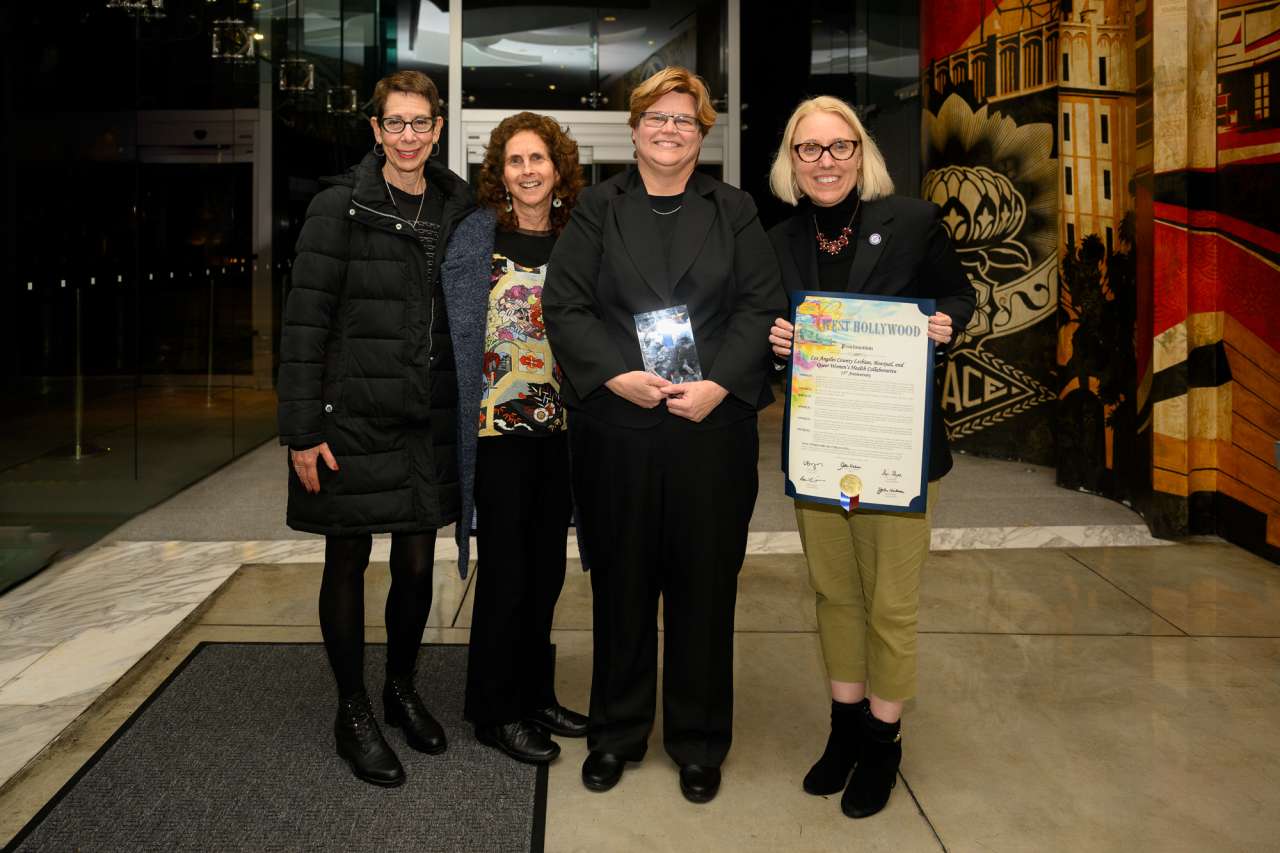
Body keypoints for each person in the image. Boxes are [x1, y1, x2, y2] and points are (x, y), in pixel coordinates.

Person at [542, 67, 785, 804]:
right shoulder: (596, 207)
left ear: (702, 132)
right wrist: (617, 374)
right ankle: (616, 732)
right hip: (619, 426)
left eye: (685, 119)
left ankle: (699, 739)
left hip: (710, 429)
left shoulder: (735, 208)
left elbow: (759, 307)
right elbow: (567, 304)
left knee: (704, 586)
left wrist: (720, 385)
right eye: (658, 117)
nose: (671, 129)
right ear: (635, 127)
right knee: (620, 583)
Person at [277, 70, 493, 788]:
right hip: (349, 417)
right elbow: (304, 324)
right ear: (375, 129)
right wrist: (301, 429)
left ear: (437, 129)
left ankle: (401, 687)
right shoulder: (338, 207)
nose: (407, 136)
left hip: (426, 412)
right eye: (394, 123)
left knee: (414, 564)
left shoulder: (458, 207)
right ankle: (352, 709)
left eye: (419, 123)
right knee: (346, 559)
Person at [765, 95, 975, 818]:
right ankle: (844, 728)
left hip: (897, 448)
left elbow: (957, 294)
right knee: (834, 593)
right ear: (791, 161)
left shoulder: (912, 222)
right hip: (820, 450)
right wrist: (776, 341)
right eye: (809, 149)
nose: (825, 161)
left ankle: (884, 742)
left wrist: (947, 324)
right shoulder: (779, 239)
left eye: (839, 146)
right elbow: (766, 328)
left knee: (891, 602)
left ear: (862, 153)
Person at [460, 112, 589, 764]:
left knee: (545, 571)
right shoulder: (478, 236)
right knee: (506, 571)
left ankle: (535, 693)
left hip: (563, 430)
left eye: (539, 158)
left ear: (558, 167)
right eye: (515, 161)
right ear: (500, 172)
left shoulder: (579, 237)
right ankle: (494, 708)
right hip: (498, 431)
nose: (528, 170)